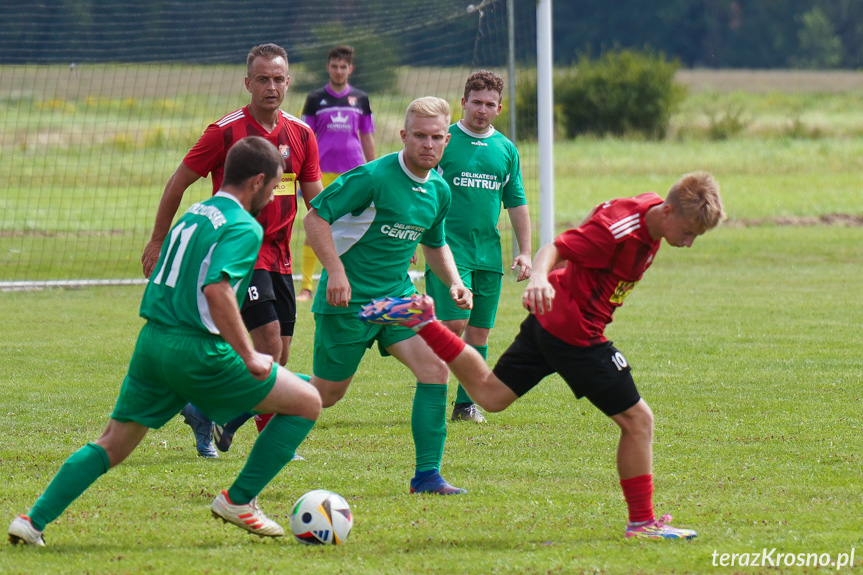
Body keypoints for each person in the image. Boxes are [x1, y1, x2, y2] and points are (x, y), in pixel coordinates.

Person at [361, 172, 725, 538]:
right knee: (639, 420)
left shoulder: (648, 210)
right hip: (576, 335)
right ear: (667, 211)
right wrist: (539, 278)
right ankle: (643, 522)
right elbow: (556, 248)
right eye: (689, 232)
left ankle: (423, 321)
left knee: (489, 395)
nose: (690, 242)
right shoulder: (619, 229)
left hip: (551, 320)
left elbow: (593, 227)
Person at [8, 137, 323, 546]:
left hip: (152, 343)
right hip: (195, 350)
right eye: (274, 185)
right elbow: (217, 290)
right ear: (258, 181)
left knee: (112, 444)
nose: (273, 195)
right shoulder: (244, 225)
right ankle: (238, 500)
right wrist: (249, 355)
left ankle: (32, 521)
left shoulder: (194, 213)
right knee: (308, 402)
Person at [141, 43, 323, 457]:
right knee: (270, 346)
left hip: (280, 255)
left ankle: (204, 410)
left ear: (288, 82)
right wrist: (157, 239)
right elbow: (178, 182)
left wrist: (350, 240)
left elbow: (318, 202)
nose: (271, 86)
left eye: (278, 79)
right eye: (262, 79)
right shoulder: (224, 131)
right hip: (240, 251)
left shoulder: (301, 134)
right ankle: (268, 435)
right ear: (248, 83)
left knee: (281, 351)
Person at [303, 96, 473, 495]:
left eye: (435, 137)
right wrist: (336, 272)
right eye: (419, 136)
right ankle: (238, 400)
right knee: (326, 394)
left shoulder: (439, 190)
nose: (427, 144)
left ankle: (427, 476)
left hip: (396, 298)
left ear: (446, 140)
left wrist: (454, 281)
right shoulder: (373, 177)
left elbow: (435, 243)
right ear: (403, 136)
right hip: (348, 300)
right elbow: (315, 217)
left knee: (435, 370)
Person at [428, 70, 532, 423]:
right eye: (476, 102)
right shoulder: (441, 141)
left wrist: (525, 250)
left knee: (479, 331)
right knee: (454, 323)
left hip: (488, 252)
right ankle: (433, 395)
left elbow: (516, 203)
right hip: (446, 249)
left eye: (489, 104)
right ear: (463, 102)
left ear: (499, 108)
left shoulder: (505, 149)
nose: (482, 110)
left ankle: (465, 404)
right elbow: (419, 188)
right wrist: (415, 235)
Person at [297, 45, 376, 302]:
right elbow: (304, 137)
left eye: (344, 67)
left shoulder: (361, 99)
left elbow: (367, 136)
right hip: (320, 175)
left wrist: (374, 170)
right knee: (316, 227)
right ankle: (307, 287)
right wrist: (300, 172)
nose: (339, 71)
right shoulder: (315, 99)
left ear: (350, 69)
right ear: (327, 67)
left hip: (352, 173)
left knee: (353, 229)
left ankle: (351, 282)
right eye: (335, 66)